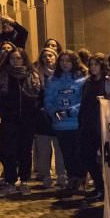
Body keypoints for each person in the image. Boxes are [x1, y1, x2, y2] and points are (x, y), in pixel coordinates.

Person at [0, 47, 41, 195]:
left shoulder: (31, 75)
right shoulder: (2, 75)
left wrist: (34, 109)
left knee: (25, 151)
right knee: (9, 151)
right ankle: (10, 181)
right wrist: (1, 108)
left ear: (24, 59)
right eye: (12, 58)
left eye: (18, 58)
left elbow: (38, 96)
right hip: (9, 119)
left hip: (27, 119)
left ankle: (24, 181)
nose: (15, 61)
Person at [44, 50, 89, 194]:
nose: (65, 64)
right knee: (67, 154)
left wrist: (70, 111)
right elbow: (48, 100)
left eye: (68, 61)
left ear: (74, 62)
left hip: (76, 123)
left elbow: (85, 101)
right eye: (62, 60)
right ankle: (72, 179)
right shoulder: (53, 80)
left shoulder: (83, 80)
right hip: (60, 125)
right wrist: (53, 112)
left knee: (78, 153)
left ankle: (82, 179)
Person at [78, 53, 110, 202]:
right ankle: (99, 186)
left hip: (101, 124)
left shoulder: (107, 82)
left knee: (103, 159)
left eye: (96, 65)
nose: (92, 68)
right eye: (91, 65)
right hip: (87, 123)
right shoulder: (88, 82)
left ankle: (105, 190)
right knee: (88, 157)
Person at [33, 47, 66, 189]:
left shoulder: (62, 74)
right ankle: (46, 175)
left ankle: (61, 175)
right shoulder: (36, 74)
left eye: (51, 55)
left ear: (56, 57)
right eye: (45, 56)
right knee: (43, 148)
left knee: (60, 147)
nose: (48, 58)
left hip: (59, 115)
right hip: (42, 116)